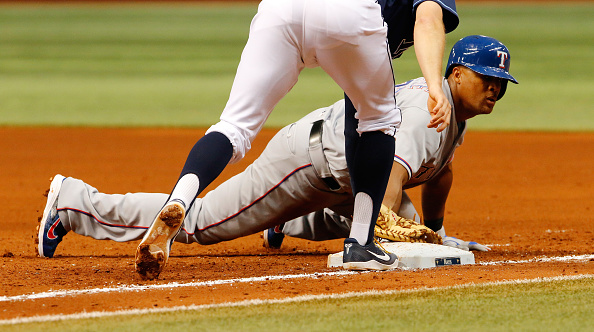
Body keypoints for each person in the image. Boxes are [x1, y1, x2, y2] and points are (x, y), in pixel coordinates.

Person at [37, 36, 517, 277]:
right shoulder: (422, 114)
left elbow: (441, 173)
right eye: (483, 77)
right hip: (305, 164)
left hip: (344, 176)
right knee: (201, 222)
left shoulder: (451, 114)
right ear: (454, 74)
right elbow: (390, 179)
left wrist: (437, 233)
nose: (493, 88)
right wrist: (391, 227)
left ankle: (283, 224)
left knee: (382, 217)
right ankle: (75, 202)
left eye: (499, 83)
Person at [135, 0, 460, 278]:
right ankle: (360, 244)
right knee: (379, 121)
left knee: (234, 126)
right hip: (348, 14)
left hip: (282, 10)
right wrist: (434, 84)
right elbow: (428, 17)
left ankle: (179, 199)